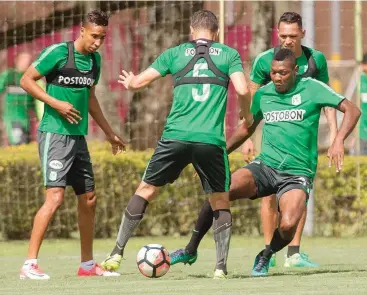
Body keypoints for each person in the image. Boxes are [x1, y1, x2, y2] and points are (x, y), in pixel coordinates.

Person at [171, 48, 361, 276]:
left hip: (297, 173)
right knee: (220, 189)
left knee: (289, 224)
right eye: (273, 72)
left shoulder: (312, 87)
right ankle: (190, 249)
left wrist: (338, 139)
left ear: (295, 71)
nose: (278, 77)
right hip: (265, 166)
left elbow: (352, 109)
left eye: (283, 72)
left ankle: (266, 254)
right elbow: (246, 128)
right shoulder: (264, 94)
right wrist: (220, 153)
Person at [100, 9, 252, 279]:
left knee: (146, 190)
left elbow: (140, 81)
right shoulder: (229, 54)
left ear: (192, 31)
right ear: (215, 33)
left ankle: (116, 253)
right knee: (219, 200)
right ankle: (220, 268)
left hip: (176, 136)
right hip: (210, 140)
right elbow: (242, 89)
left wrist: (131, 83)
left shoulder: (176, 52)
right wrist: (246, 113)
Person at [19, 10, 126, 280]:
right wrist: (55, 104)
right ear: (81, 31)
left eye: (102, 38)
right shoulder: (58, 53)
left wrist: (109, 132)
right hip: (54, 135)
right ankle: (29, 264)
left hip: (78, 138)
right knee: (55, 198)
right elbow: (26, 80)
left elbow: (90, 99)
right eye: (94, 36)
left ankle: (87, 265)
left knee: (89, 199)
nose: (97, 42)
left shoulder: (94, 62)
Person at [0, 52, 38, 145]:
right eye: (23, 60)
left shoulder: (30, 78)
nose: (26, 63)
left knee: (25, 143)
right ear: (17, 60)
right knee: (18, 142)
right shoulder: (8, 75)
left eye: (28, 61)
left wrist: (37, 118)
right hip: (12, 117)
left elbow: (34, 101)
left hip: (25, 118)